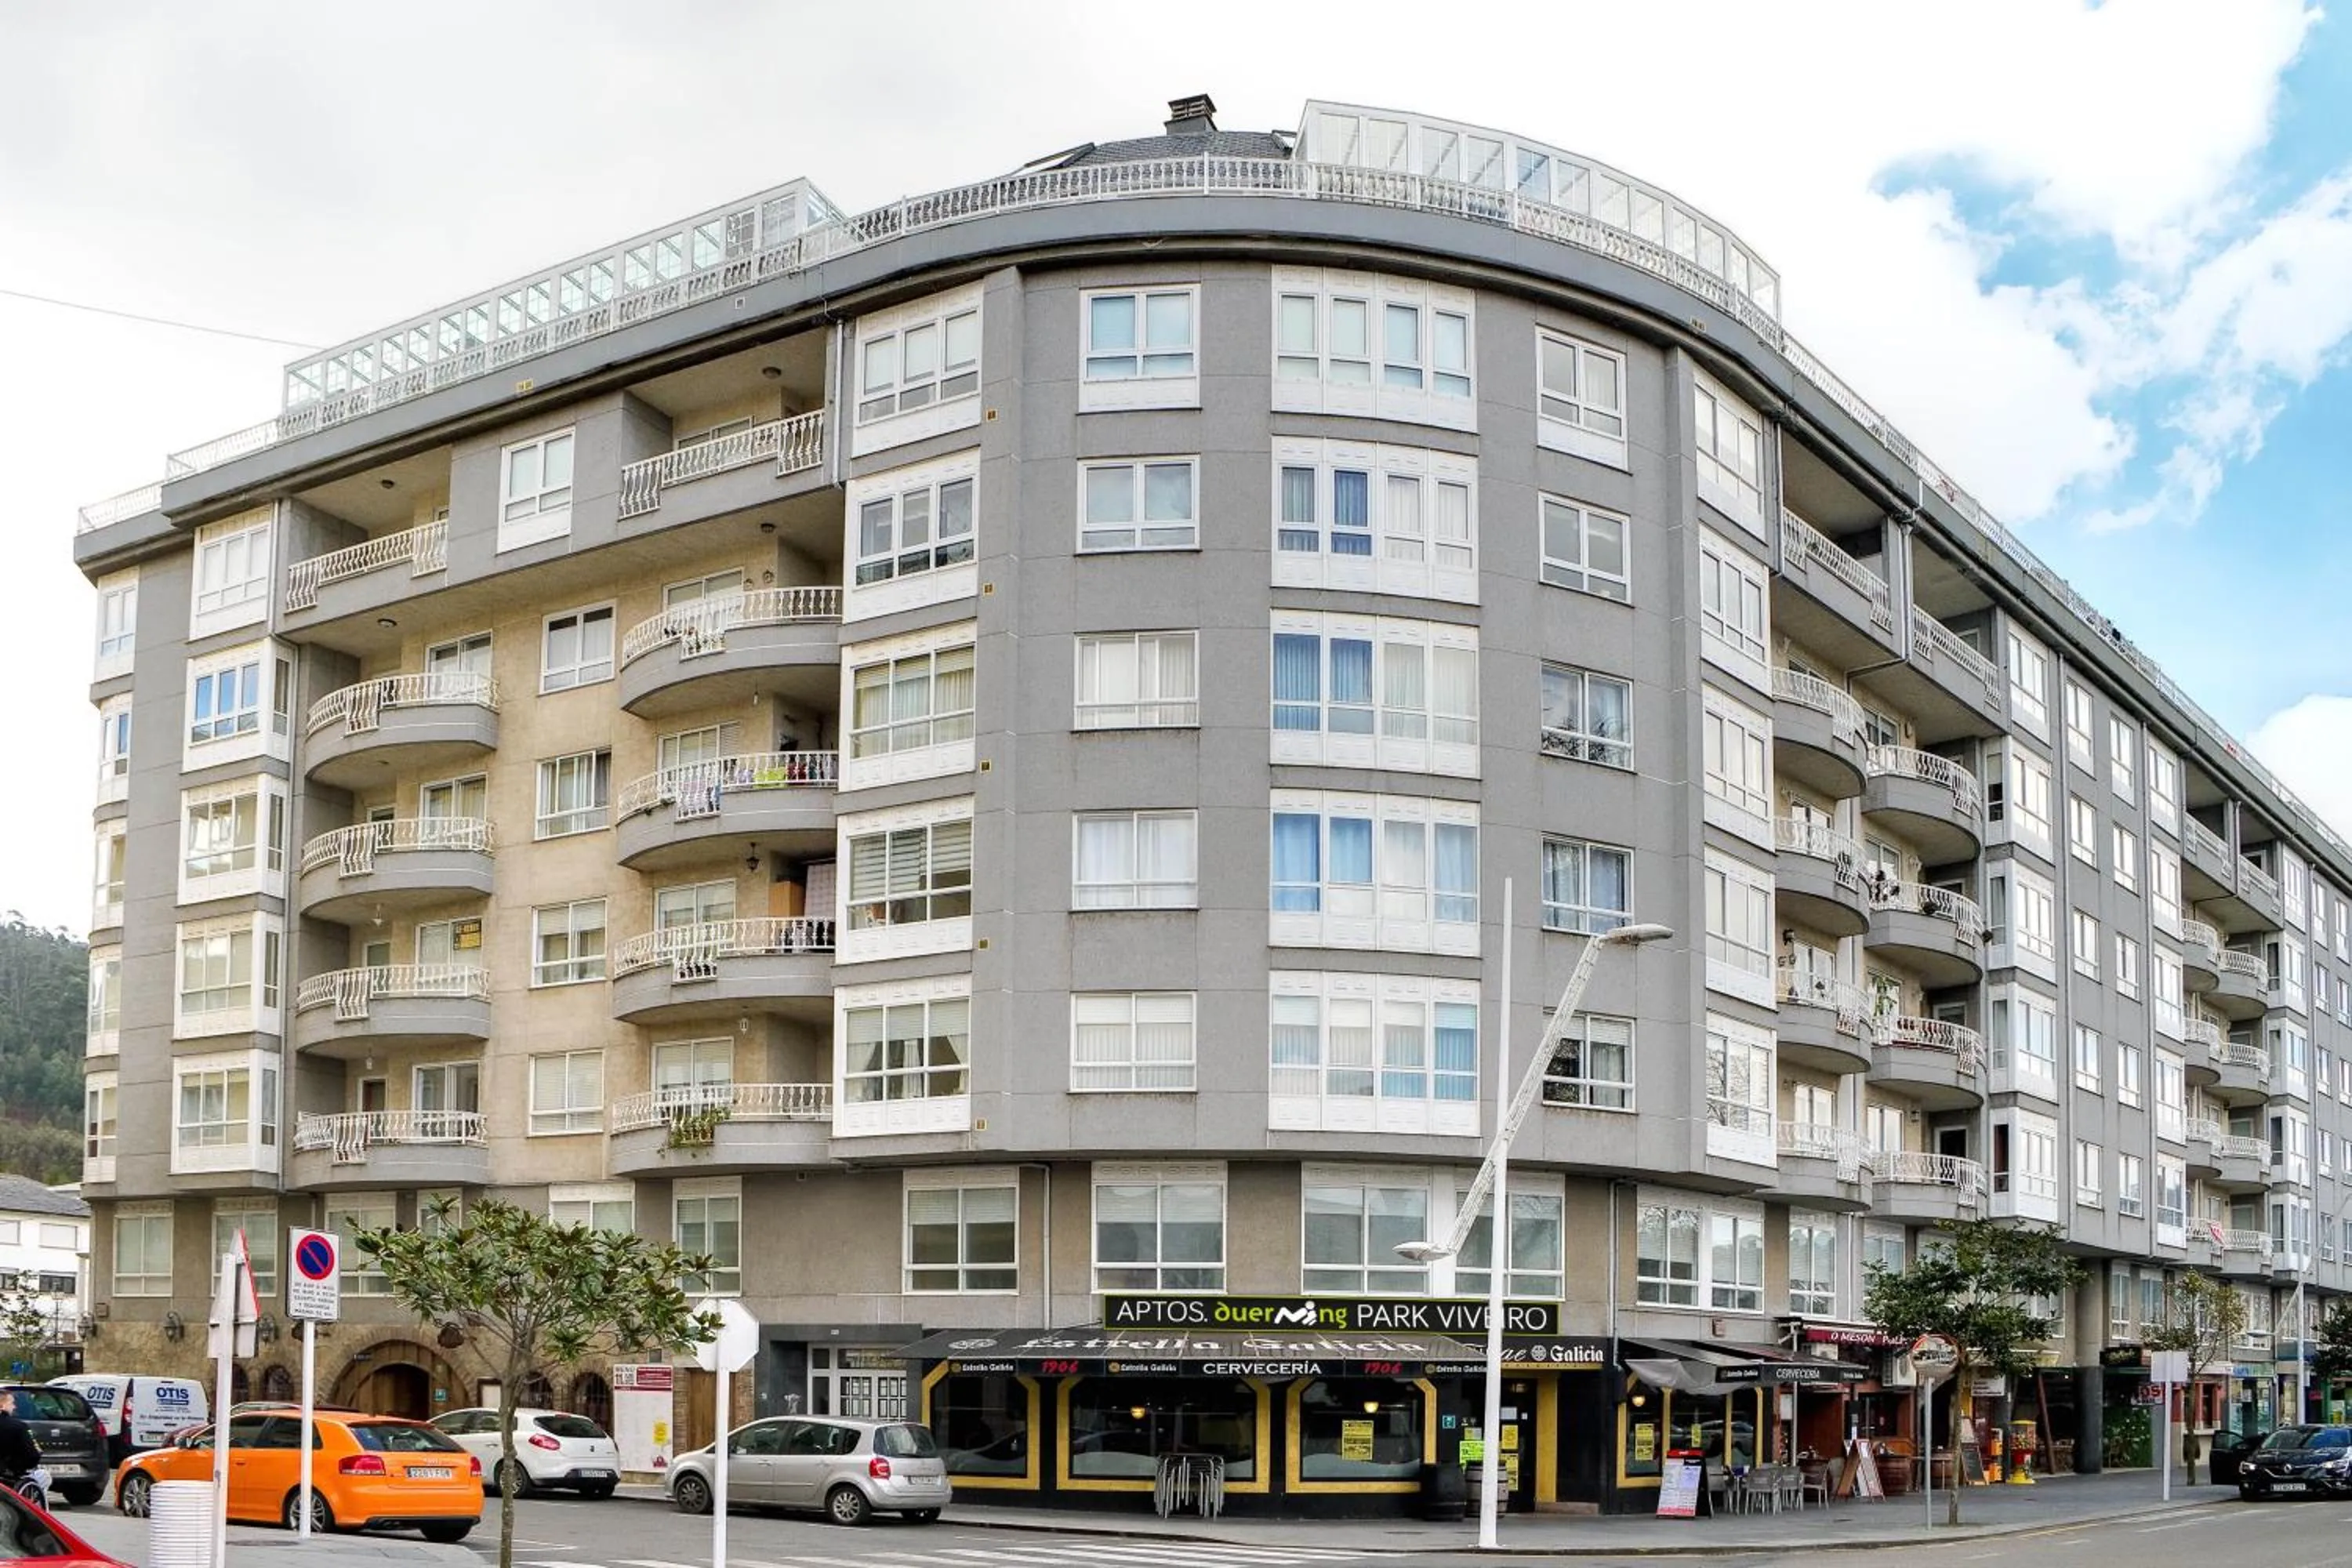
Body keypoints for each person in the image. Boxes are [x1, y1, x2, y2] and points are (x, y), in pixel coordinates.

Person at [0, 1392, 42, 1490]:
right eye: (12, 1403)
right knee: (44, 1476)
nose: (14, 1407)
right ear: (2, 1406)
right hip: (8, 1475)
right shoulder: (18, 1426)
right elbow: (33, 1455)